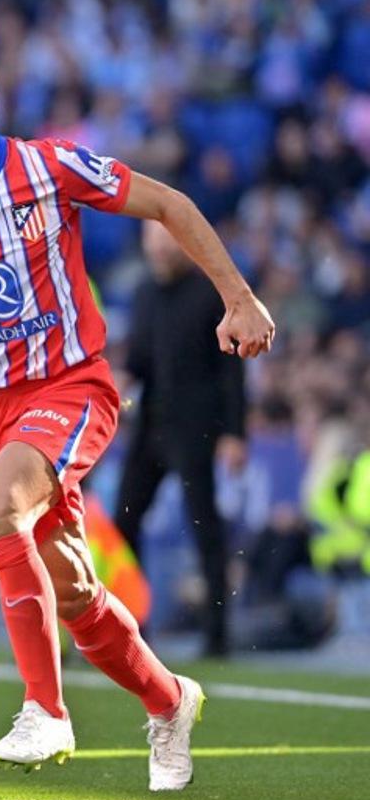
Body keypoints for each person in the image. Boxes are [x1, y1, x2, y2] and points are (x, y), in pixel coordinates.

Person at [0, 46, 274, 792]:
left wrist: (239, 298)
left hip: (72, 386)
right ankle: (169, 703)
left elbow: (169, 204)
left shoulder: (49, 168)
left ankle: (45, 709)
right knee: (71, 590)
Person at [115, 221, 247, 657]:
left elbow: (232, 371)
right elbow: (138, 360)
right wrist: (116, 384)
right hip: (151, 425)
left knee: (204, 527)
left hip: (196, 428)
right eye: (152, 241)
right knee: (124, 523)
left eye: (166, 242)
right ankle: (129, 625)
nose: (158, 251)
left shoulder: (208, 294)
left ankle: (218, 635)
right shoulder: (144, 294)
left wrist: (234, 433)